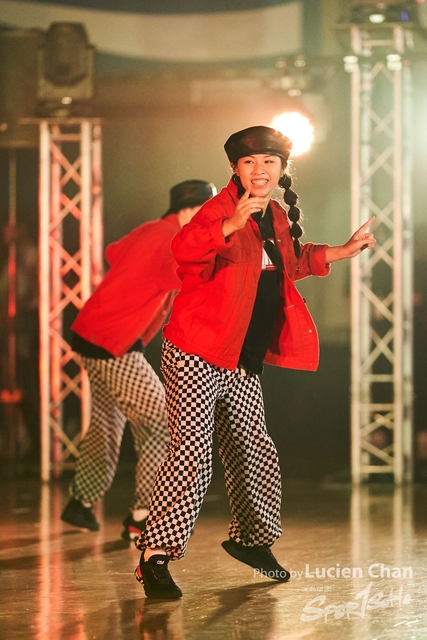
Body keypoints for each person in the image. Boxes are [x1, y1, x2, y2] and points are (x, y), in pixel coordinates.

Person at [134, 125, 376, 599]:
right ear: (235, 169)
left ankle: (252, 541)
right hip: (196, 350)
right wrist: (228, 225)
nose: (259, 170)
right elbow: (183, 249)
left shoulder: (277, 215)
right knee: (192, 455)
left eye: (268, 162)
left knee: (255, 451)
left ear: (282, 168)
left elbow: (291, 263)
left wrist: (343, 250)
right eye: (249, 162)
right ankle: (155, 557)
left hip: (241, 357)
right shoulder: (219, 209)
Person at [61, 179, 217, 539]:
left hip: (93, 333)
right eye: (206, 214)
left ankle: (81, 503)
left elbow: (114, 251)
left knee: (107, 421)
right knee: (162, 423)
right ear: (189, 211)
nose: (209, 222)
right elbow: (185, 276)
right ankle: (142, 515)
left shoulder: (151, 230)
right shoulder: (170, 240)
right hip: (112, 341)